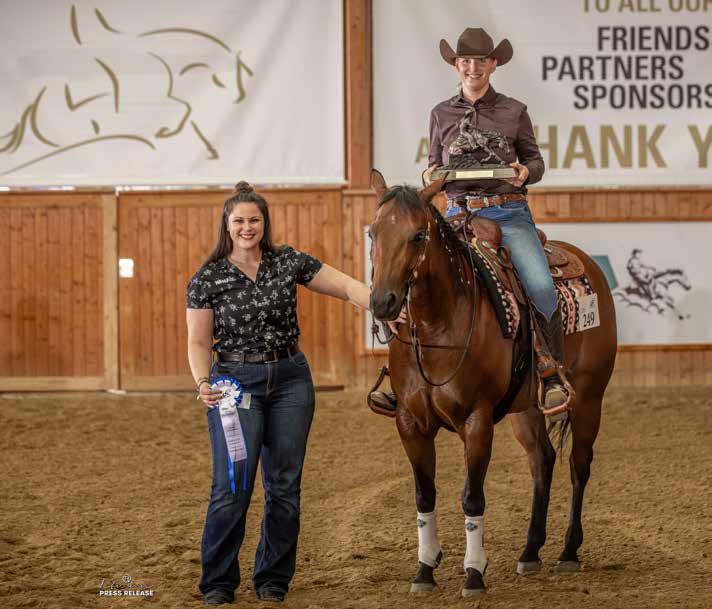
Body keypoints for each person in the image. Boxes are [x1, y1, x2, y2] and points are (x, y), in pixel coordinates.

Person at [187, 181, 371, 605]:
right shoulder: (207, 278)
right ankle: (218, 583)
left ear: (264, 223)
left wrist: (383, 305)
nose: (247, 227)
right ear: (227, 225)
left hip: (291, 381)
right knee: (232, 488)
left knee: (284, 486)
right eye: (239, 220)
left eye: (254, 219)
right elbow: (197, 342)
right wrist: (201, 382)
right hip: (234, 385)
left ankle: (272, 579)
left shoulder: (288, 262)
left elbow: (346, 286)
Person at [369, 27, 569, 416]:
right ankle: (403, 377)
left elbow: (535, 162)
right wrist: (430, 176)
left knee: (542, 286)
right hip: (457, 213)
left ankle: (550, 372)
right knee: (413, 275)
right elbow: (433, 166)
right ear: (456, 65)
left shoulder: (514, 111)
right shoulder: (440, 113)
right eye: (465, 61)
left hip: (507, 212)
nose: (472, 67)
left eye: (480, 61)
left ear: (493, 64)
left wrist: (525, 173)